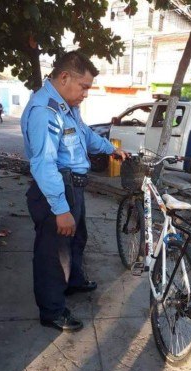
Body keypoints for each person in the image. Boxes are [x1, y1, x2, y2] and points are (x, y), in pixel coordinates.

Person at [21, 51, 128, 332]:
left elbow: (86, 135)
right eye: (84, 87)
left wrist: (110, 149)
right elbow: (43, 164)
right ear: (65, 77)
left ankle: (73, 281)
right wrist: (61, 208)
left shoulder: (68, 108)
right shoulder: (45, 112)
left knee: (77, 239)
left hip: (73, 187)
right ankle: (52, 311)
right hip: (55, 189)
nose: (86, 94)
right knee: (53, 254)